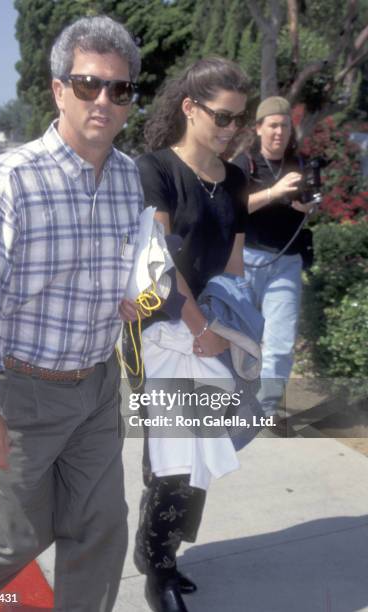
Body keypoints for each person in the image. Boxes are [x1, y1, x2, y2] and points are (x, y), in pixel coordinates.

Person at [0, 15, 143, 612]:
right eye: (88, 84)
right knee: (18, 537)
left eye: (119, 88)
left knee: (102, 526)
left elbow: (128, 268)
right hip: (24, 393)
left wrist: (135, 297)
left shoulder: (130, 178)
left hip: (95, 387)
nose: (104, 100)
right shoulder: (6, 182)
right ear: (58, 89)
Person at [132, 57, 250, 612]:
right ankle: (157, 570)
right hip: (161, 331)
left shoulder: (238, 179)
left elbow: (232, 265)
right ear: (189, 107)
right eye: (222, 118)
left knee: (197, 458)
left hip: (207, 330)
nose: (231, 130)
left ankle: (165, 555)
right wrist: (200, 328)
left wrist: (224, 326)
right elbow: (158, 260)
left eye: (238, 121)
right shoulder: (154, 168)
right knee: (176, 458)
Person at [232, 96, 315, 421]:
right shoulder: (244, 164)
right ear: (259, 128)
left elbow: (310, 201)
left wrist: (308, 206)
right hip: (246, 259)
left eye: (285, 125)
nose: (280, 132)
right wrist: (275, 192)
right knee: (240, 338)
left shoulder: (301, 164)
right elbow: (232, 208)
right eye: (273, 125)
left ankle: (265, 410)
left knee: (280, 341)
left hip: (286, 262)